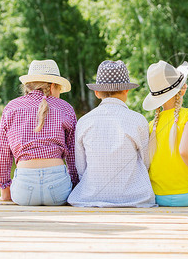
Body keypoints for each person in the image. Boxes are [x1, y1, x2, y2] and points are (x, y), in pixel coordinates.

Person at [67, 60, 156, 207]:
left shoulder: (84, 121)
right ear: (126, 90)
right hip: (135, 198)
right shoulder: (138, 120)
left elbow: (81, 168)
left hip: (90, 198)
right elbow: (146, 162)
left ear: (96, 93)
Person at [0, 59, 78, 205]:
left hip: (23, 191)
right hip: (58, 190)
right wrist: (74, 185)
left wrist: (5, 192)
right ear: (52, 86)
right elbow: (74, 158)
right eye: (59, 90)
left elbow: (1, 158)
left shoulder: (11, 108)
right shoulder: (65, 108)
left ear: (28, 86)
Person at [143, 60, 188, 207]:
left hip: (157, 197)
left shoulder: (151, 126)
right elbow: (185, 150)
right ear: (182, 89)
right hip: (187, 196)